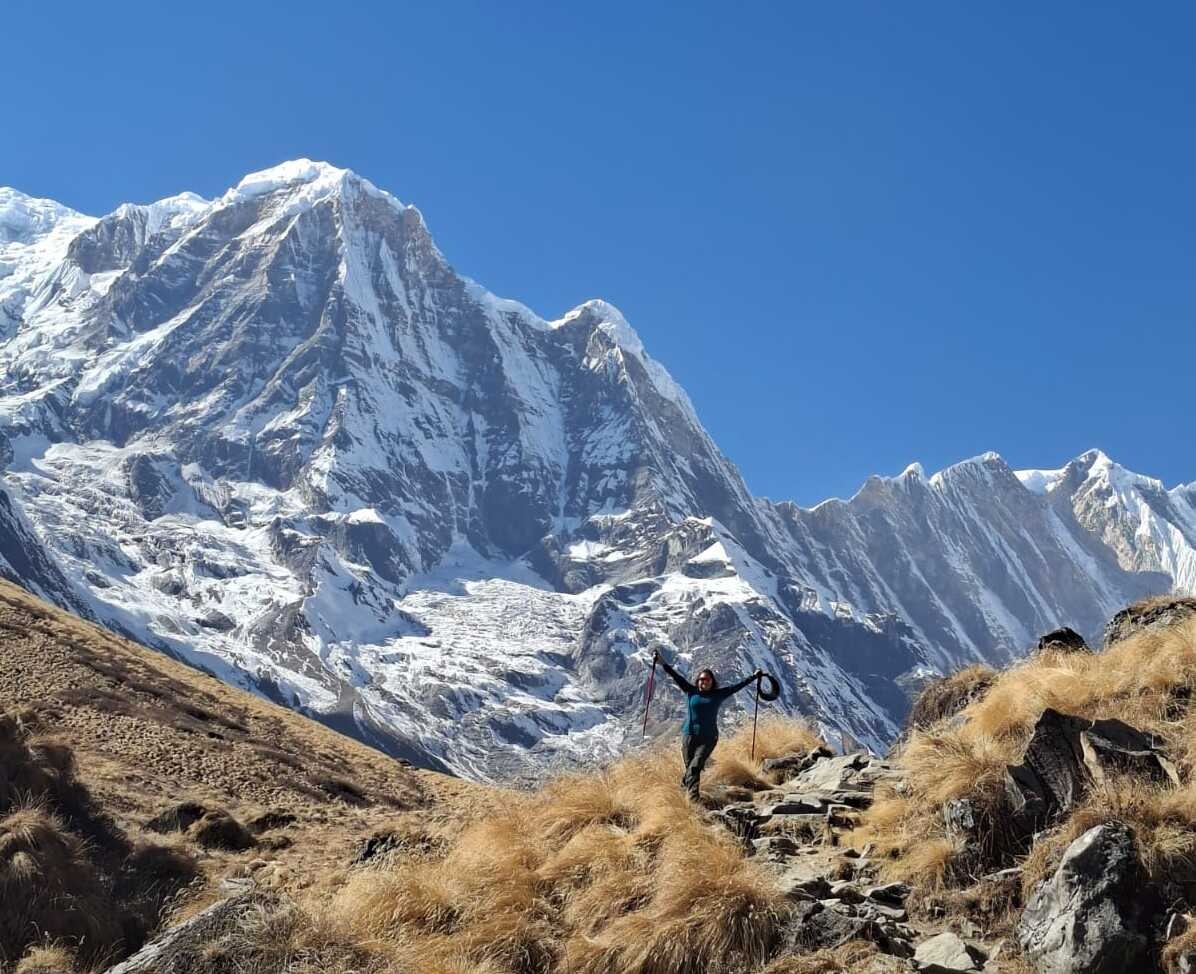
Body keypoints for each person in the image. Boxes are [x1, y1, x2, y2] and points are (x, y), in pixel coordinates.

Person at [653, 649, 763, 800]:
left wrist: (754, 677)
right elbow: (675, 676)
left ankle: (692, 799)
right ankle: (684, 795)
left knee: (696, 765)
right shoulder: (691, 691)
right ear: (697, 681)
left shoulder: (718, 694)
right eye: (701, 679)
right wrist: (662, 662)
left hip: (709, 737)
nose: (704, 682)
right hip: (689, 735)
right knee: (691, 769)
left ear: (712, 682)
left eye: (707, 679)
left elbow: (738, 686)